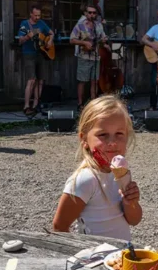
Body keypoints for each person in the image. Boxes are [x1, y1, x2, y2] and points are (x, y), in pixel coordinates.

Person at [52, 95, 141, 238]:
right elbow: (59, 226)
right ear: (84, 139)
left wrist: (131, 202)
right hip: (97, 257)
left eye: (119, 133)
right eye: (103, 134)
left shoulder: (120, 174)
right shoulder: (86, 180)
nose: (112, 142)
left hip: (121, 256)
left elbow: (134, 220)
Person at [17, 5, 53, 116]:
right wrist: (28, 36)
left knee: (40, 80)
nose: (37, 17)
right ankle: (26, 106)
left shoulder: (41, 23)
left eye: (39, 15)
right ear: (31, 14)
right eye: (35, 15)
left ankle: (36, 104)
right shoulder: (24, 24)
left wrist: (50, 41)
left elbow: (51, 33)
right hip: (29, 54)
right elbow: (20, 41)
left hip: (41, 54)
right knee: (31, 80)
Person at [70, 5, 108, 109]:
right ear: (86, 13)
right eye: (90, 12)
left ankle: (93, 103)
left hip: (96, 57)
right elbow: (72, 40)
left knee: (94, 81)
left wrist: (104, 42)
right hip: (84, 57)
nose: (92, 15)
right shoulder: (80, 25)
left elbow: (102, 38)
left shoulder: (99, 25)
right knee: (82, 81)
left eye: (94, 13)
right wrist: (84, 43)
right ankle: (80, 104)